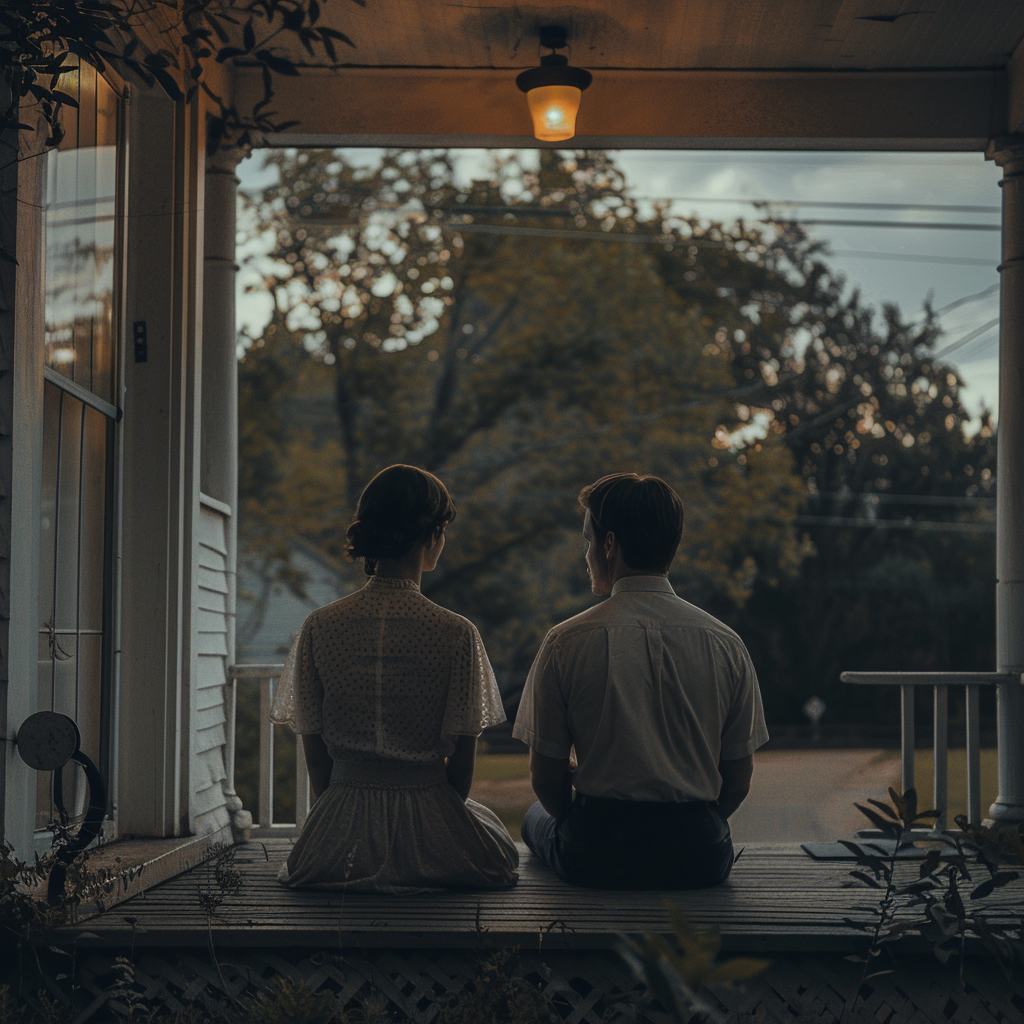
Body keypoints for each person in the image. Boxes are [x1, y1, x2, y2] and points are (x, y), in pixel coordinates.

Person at [512, 472, 768, 889]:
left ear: (609, 544)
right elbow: (737, 782)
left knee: (533, 818)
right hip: (699, 855)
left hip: (597, 853)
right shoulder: (726, 643)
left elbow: (545, 781)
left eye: (588, 541)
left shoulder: (565, 642)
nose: (587, 554)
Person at [270, 465, 519, 892]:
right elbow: (460, 772)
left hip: (341, 818)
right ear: (432, 535)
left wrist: (337, 822)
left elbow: (317, 759)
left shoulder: (319, 626)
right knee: (501, 853)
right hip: (429, 811)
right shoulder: (456, 632)